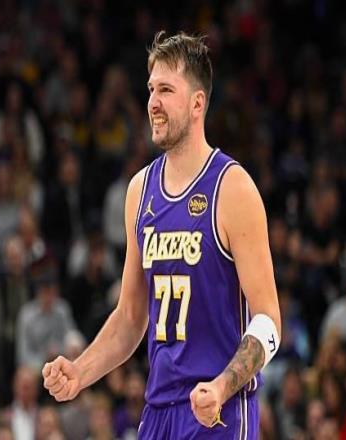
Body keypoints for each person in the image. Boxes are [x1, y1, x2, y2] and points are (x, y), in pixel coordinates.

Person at [43, 31, 281, 439]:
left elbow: (269, 321)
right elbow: (131, 316)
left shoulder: (232, 188)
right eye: (151, 89)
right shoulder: (139, 191)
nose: (153, 102)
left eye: (166, 90)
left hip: (217, 412)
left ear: (197, 104)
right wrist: (80, 372)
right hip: (158, 410)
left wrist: (222, 386)